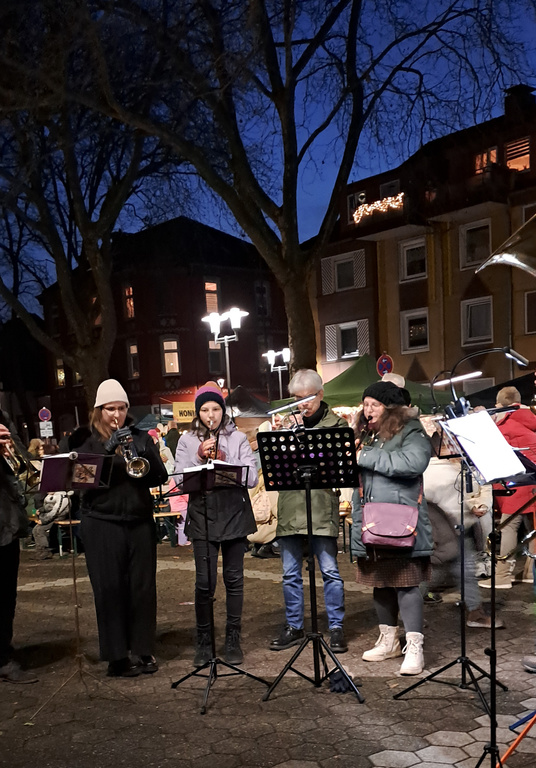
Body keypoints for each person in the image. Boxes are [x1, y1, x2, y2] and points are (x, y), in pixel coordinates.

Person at [69, 379, 167, 678]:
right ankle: (116, 657)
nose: (117, 414)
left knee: (141, 587)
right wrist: (107, 454)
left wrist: (143, 449)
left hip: (138, 522)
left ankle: (142, 648)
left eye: (122, 408)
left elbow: (159, 476)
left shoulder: (139, 437)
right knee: (109, 589)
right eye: (110, 408)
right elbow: (81, 482)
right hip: (101, 523)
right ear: (98, 411)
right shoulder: (84, 442)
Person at [351, 380, 433, 675]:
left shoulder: (411, 430)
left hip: (401, 523)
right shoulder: (367, 436)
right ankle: (389, 640)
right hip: (371, 521)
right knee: (380, 583)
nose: (367, 409)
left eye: (375, 404)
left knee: (406, 585)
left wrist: (365, 456)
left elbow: (413, 462)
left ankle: (414, 646)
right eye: (366, 404)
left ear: (391, 407)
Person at [174, 381, 258, 666]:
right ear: (198, 413)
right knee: (204, 581)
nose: (211, 415)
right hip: (203, 514)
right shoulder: (186, 440)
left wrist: (226, 460)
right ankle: (204, 639)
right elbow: (178, 481)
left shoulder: (238, 438)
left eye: (216, 409)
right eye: (205, 410)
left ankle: (232, 638)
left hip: (234, 512)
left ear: (223, 411)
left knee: (234, 579)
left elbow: (252, 477)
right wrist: (198, 456)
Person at [270, 369, 348, 654]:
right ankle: (294, 625)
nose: (302, 404)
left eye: (308, 397)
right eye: (297, 399)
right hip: (291, 506)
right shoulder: (286, 427)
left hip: (319, 506)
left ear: (321, 394)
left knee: (329, 570)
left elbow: (340, 469)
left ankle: (336, 627)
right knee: (290, 573)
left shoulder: (336, 425)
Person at [480, 386, 536, 589]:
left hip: (518, 481)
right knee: (532, 527)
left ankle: (502, 576)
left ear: (500, 405)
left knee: (509, 525)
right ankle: (531, 571)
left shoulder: (506, 424)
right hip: (533, 480)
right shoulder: (530, 417)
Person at [0, 411, 38, 684]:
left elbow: (23, 462)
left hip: (6, 521)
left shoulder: (2, 415)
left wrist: (11, 444)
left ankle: (3, 652)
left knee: (6, 595)